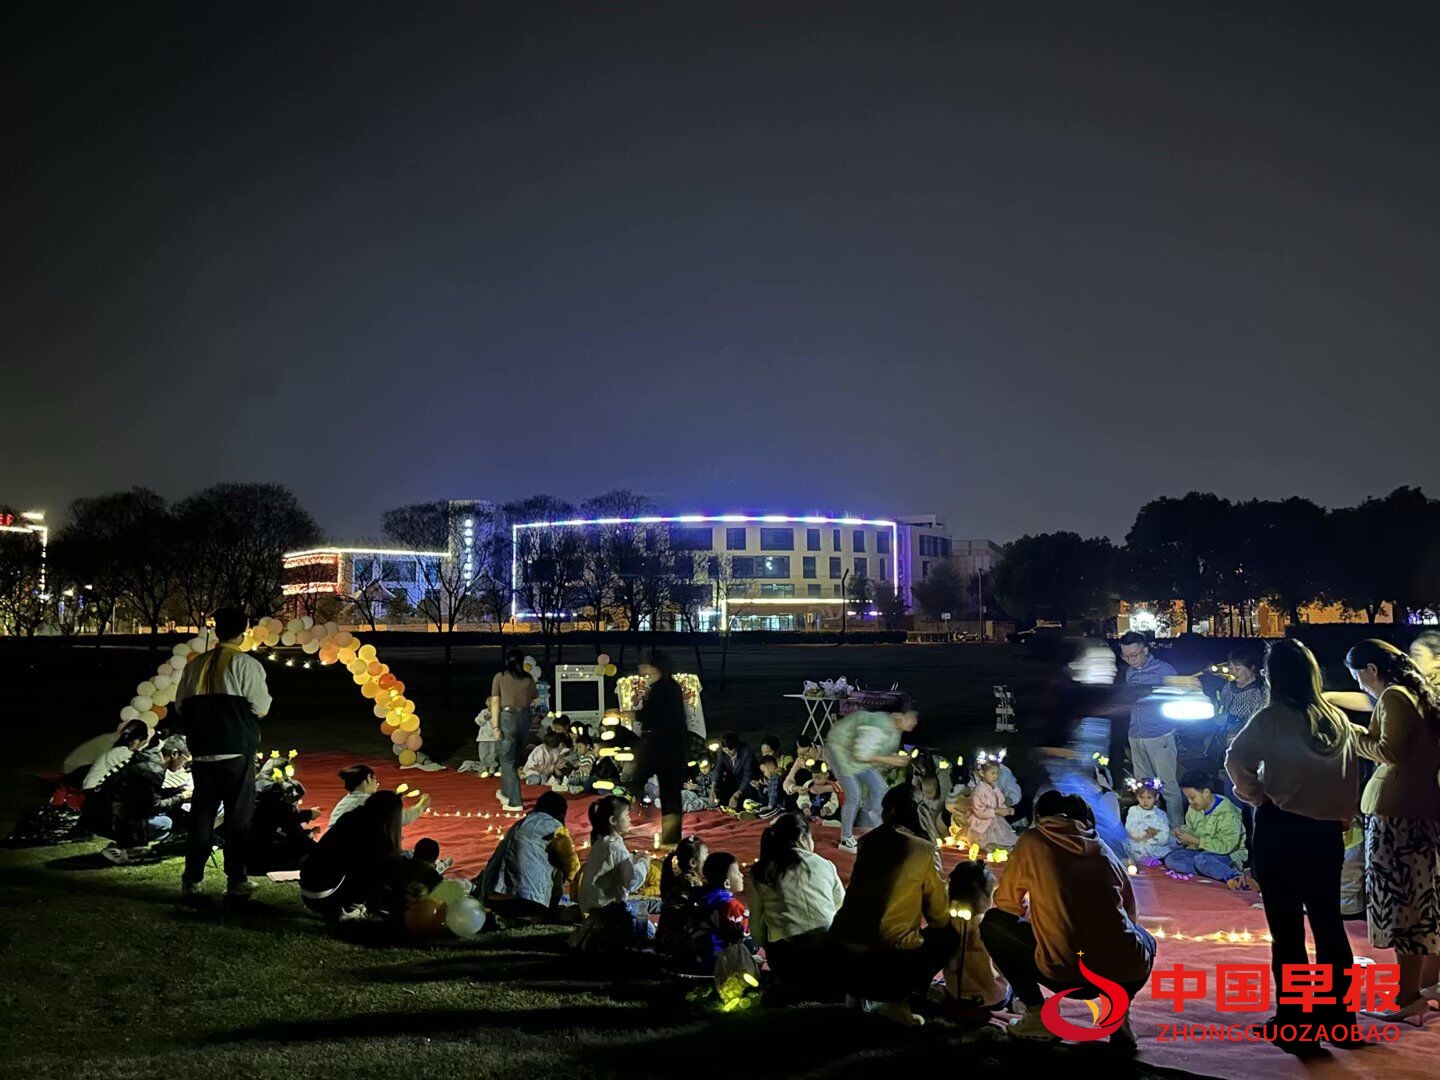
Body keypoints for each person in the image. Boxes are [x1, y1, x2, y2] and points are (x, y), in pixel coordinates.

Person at [1224, 637, 1360, 1049]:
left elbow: (1236, 760)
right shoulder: (1335, 719)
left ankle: (1296, 1025)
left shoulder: (1271, 718)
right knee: (1329, 926)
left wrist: (1257, 795)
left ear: (1274, 677)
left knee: (1287, 933)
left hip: (1281, 828)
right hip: (1325, 834)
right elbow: (1349, 777)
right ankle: (1339, 1020)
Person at [981, 791, 1154, 1046]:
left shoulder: (1033, 840)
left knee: (993, 924)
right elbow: (1130, 914)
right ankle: (1119, 1016)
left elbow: (1006, 904)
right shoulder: (1103, 849)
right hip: (1124, 973)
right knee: (1145, 940)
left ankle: (1038, 1016)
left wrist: (1038, 917)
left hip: (1064, 973)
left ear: (1040, 817)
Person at [1343, 639, 1440, 1022]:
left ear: (1371, 669)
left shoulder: (1393, 696)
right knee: (1423, 902)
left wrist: (1350, 734)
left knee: (1402, 906)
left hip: (1395, 814)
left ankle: (1408, 997)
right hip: (1421, 808)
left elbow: (1390, 751)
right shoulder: (1420, 694)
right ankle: (1427, 984)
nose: (1361, 686)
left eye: (1358, 677)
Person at [827, 786, 954, 1025]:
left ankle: (856, 995)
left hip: (842, 949)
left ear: (890, 811)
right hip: (889, 961)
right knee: (949, 933)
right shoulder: (924, 850)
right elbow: (939, 915)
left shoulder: (868, 841)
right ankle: (899, 1002)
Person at [173, 608, 271, 902]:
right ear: (244, 632)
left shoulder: (195, 665)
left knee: (201, 818)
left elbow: (180, 705)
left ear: (217, 632)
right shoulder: (246, 664)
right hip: (235, 750)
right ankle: (236, 880)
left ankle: (192, 880)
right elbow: (261, 707)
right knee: (238, 820)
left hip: (202, 752)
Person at [749, 812, 845, 990]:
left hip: (787, 958)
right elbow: (842, 908)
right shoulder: (825, 864)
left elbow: (756, 924)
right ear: (802, 838)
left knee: (769, 926)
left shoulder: (762, 871)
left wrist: (762, 946)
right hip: (828, 952)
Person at [80, 735, 192, 864]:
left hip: (95, 811)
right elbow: (153, 806)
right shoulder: (153, 770)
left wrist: (176, 792)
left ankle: (125, 846)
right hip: (107, 817)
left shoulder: (146, 758)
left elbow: (144, 795)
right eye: (185, 760)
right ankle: (125, 848)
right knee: (164, 823)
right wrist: (182, 797)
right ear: (174, 753)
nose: (184, 766)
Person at [300, 790, 405, 924]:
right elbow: (380, 874)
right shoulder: (377, 837)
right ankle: (351, 909)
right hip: (325, 897)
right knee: (379, 873)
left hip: (307, 890)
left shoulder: (350, 817)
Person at [476, 790, 580, 923]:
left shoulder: (519, 824)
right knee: (558, 862)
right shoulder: (556, 828)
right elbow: (571, 865)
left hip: (491, 898)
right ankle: (541, 913)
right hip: (527, 900)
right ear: (561, 814)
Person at [826, 709, 919, 851]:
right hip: (840, 752)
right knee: (854, 795)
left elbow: (874, 755)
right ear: (901, 715)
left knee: (880, 788)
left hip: (858, 758)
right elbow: (862, 754)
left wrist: (892, 760)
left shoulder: (895, 732)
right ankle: (846, 838)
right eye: (910, 718)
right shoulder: (878, 725)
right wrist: (890, 760)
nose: (913, 723)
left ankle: (873, 826)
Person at [1119, 632, 1183, 829]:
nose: (1130, 660)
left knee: (1167, 785)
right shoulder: (1129, 673)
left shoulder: (1164, 670)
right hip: (1136, 734)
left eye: (1134, 655)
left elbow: (1179, 696)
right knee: (1143, 787)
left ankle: (1176, 829)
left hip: (1159, 734)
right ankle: (1150, 827)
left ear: (1145, 650)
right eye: (1125, 656)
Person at [629, 653, 691, 846]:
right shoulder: (669, 687)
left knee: (641, 783)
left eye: (644, 666)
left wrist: (630, 713)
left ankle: (633, 812)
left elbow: (650, 715)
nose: (641, 670)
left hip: (662, 747)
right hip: (671, 747)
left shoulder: (662, 689)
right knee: (670, 793)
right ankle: (671, 837)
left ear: (655, 668)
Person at [943, 861, 1007, 1013]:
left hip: (954, 993)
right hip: (991, 998)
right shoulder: (993, 927)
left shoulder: (946, 922)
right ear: (983, 898)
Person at [1163, 771, 1246, 885]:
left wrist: (1196, 840)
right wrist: (1181, 834)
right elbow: (1191, 828)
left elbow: (1226, 846)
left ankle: (1233, 875)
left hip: (1227, 855)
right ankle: (1211, 871)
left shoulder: (1227, 813)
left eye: (1192, 797)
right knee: (1171, 859)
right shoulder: (1194, 807)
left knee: (1202, 860)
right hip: (1202, 852)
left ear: (1206, 793)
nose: (1190, 802)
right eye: (1187, 798)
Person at [491, 649, 539, 813]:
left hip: (508, 717)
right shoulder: (528, 678)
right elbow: (535, 699)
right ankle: (506, 793)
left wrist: (495, 726)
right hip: (524, 718)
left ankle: (514, 801)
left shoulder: (500, 677)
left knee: (507, 760)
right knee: (513, 758)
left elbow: (495, 702)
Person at [655, 836, 712, 969]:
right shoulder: (692, 883)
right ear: (693, 862)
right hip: (677, 943)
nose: (708, 863)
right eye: (706, 858)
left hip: (663, 940)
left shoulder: (677, 879)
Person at [329, 764, 429, 827]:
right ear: (369, 778)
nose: (377, 785)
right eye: (375, 780)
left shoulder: (343, 803)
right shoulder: (369, 802)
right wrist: (421, 806)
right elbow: (402, 818)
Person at [699, 852, 750, 958]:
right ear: (727, 883)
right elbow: (743, 932)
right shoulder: (730, 905)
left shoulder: (706, 897)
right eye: (737, 872)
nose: (741, 875)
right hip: (722, 957)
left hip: (704, 952)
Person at [960, 758, 1017, 850]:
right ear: (982, 773)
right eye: (993, 773)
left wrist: (1006, 810)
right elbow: (979, 810)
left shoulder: (994, 788)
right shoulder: (979, 790)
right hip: (982, 823)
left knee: (1007, 839)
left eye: (997, 773)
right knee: (988, 841)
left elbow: (1000, 802)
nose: (995, 776)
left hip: (996, 821)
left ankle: (1000, 846)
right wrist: (996, 811)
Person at [81, 719, 152, 791]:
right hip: (94, 789)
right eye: (127, 728)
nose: (126, 731)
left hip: (91, 786)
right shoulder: (122, 751)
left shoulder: (120, 749)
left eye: (130, 730)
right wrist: (136, 747)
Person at [1123, 778, 1172, 863]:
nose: (1145, 801)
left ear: (1156, 797)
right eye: (1141, 797)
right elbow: (1130, 828)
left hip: (1156, 848)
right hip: (1138, 847)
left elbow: (1165, 833)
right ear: (1136, 796)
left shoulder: (1161, 814)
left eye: (1149, 798)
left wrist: (1156, 834)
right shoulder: (1134, 810)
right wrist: (1145, 830)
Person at [713, 733, 756, 810]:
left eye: (730, 750)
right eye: (725, 750)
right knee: (722, 788)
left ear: (737, 746)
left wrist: (737, 794)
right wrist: (712, 788)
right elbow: (717, 769)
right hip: (731, 777)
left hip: (744, 779)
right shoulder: (721, 752)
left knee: (745, 798)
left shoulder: (746, 753)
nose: (728, 753)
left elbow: (747, 776)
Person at [472, 705, 501, 776]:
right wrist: (484, 718)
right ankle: (484, 767)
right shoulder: (484, 712)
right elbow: (478, 721)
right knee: (483, 753)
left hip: (494, 737)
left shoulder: (499, 712)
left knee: (494, 753)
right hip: (483, 737)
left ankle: (492, 767)